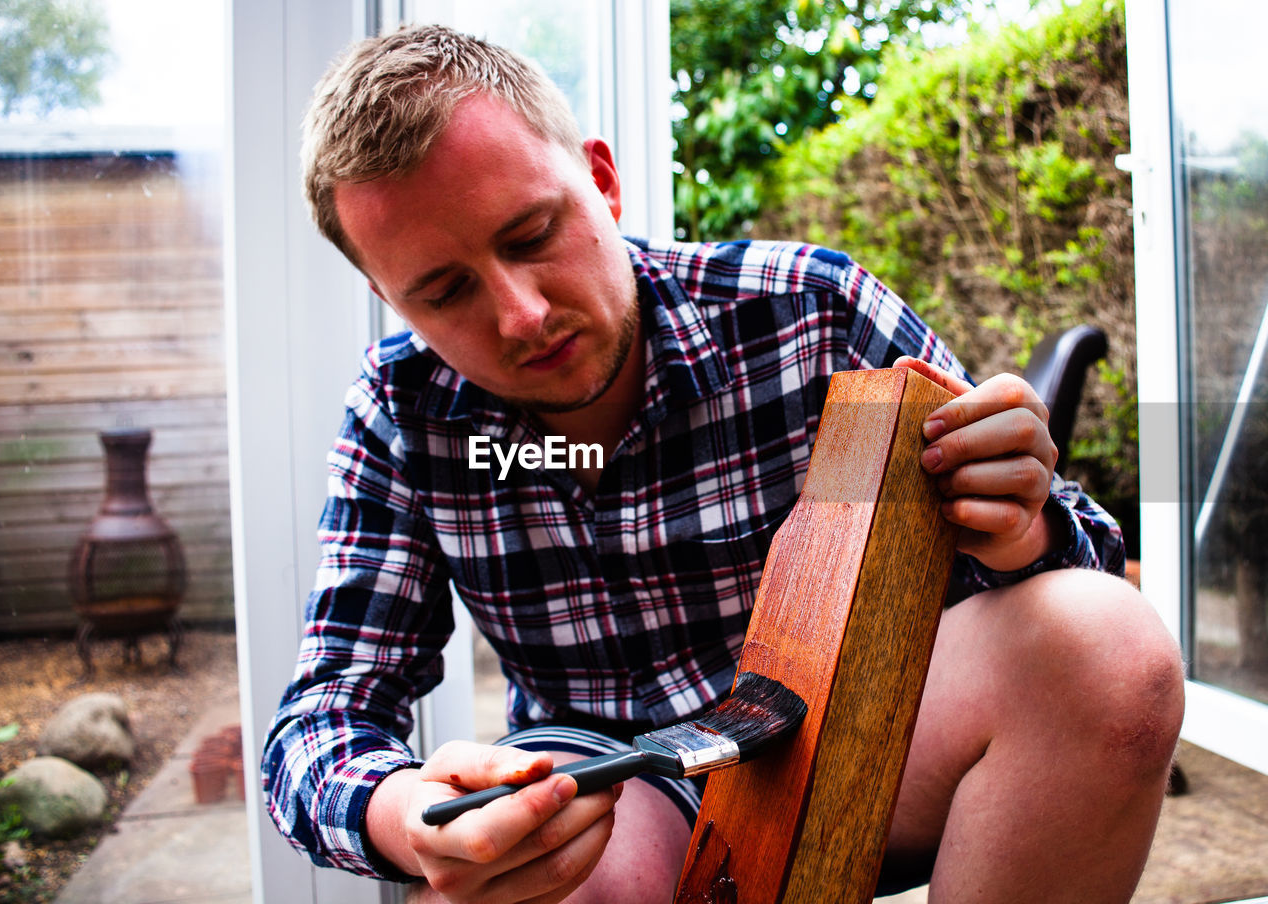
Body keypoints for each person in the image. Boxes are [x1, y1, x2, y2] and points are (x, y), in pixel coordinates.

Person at [262, 22, 1184, 904]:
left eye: (532, 234)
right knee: (516, 886)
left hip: (858, 736)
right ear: (389, 298)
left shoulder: (808, 312)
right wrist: (406, 818)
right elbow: (321, 718)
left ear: (602, 181)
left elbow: (1080, 565)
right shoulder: (404, 409)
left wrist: (1022, 527)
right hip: (619, 805)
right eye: (445, 290)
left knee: (1105, 645)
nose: (522, 316)